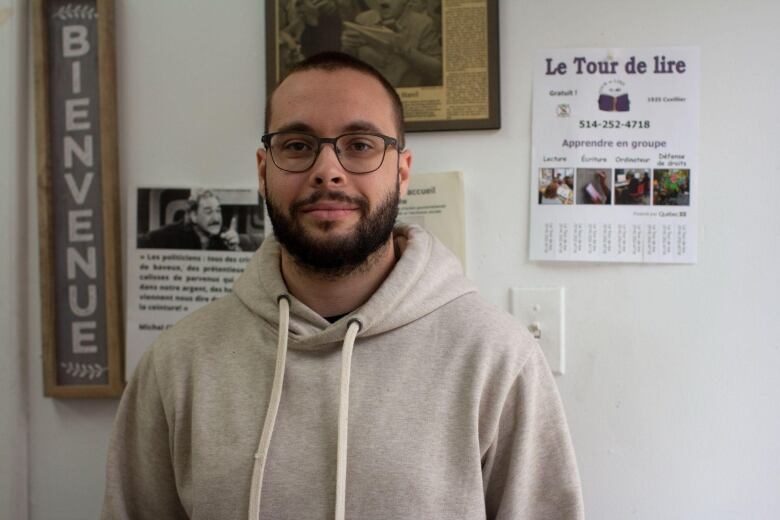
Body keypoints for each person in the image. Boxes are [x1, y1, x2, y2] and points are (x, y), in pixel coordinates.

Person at [103, 52, 583, 519]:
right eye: (296, 145)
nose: (327, 170)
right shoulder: (178, 363)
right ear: (262, 169)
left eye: (359, 144)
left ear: (402, 170)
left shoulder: (496, 358)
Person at [341, 0, 442, 87]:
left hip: (407, 94)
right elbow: (349, 68)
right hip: (373, 94)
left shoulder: (422, 24)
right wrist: (347, 47)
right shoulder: (363, 19)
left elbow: (437, 71)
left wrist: (406, 50)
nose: (382, 1)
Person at [137, 189, 255, 251]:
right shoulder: (171, 234)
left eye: (218, 211)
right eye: (208, 211)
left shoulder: (226, 236)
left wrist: (237, 246)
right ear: (193, 215)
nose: (216, 218)